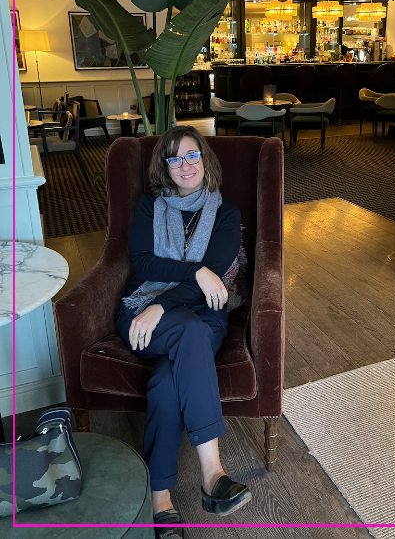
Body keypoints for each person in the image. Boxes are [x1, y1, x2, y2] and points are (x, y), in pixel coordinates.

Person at [116, 126, 251, 539]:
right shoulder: (149, 206)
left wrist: (165, 303)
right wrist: (194, 272)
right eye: (174, 158)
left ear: (205, 160)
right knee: (188, 334)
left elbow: (213, 281)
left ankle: (159, 498)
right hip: (142, 307)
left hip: (200, 314)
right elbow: (143, 262)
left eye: (192, 155)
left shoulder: (226, 214)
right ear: (165, 167)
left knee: (166, 380)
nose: (185, 165)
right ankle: (213, 474)